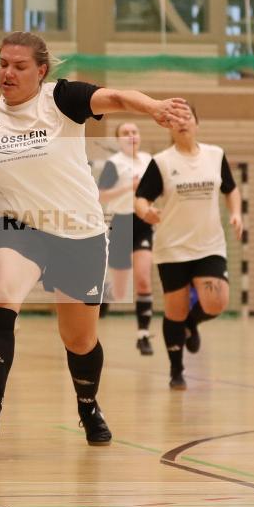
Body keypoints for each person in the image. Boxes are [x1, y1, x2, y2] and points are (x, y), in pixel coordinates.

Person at [0, 31, 191, 447]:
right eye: (3, 64)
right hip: (16, 225)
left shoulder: (61, 100)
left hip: (79, 231)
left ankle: (88, 405)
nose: (8, 73)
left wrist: (154, 107)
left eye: (20, 66)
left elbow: (115, 97)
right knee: (1, 298)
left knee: (79, 339)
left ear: (41, 71)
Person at [134, 107, 243, 390]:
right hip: (173, 248)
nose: (182, 123)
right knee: (176, 309)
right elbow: (141, 198)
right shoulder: (161, 162)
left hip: (209, 245)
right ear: (168, 127)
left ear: (197, 122)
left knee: (216, 302)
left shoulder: (215, 155)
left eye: (187, 117)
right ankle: (176, 370)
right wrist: (146, 212)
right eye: (175, 119)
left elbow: (231, 189)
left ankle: (191, 324)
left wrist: (236, 213)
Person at [97, 122, 155, 355]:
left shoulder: (148, 160)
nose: (131, 136)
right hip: (120, 224)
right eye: (125, 133)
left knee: (143, 280)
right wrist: (129, 187)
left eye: (134, 132)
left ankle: (143, 335)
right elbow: (100, 196)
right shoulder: (114, 163)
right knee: (120, 292)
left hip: (143, 223)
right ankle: (104, 294)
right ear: (118, 139)